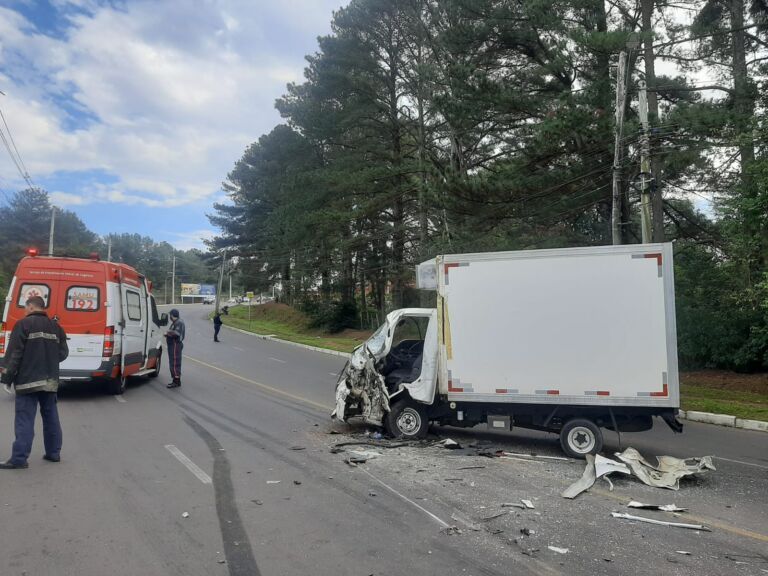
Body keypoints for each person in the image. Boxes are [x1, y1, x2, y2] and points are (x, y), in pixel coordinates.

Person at [0, 296, 68, 469]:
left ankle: (19, 459)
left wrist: (6, 377)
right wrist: (48, 361)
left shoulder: (23, 325)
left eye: (25, 307)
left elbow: (15, 354)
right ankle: (54, 453)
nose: (24, 310)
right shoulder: (56, 327)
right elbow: (63, 353)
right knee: (51, 416)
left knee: (25, 419)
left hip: (27, 380)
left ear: (31, 307)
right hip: (50, 380)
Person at [165, 308, 185, 388]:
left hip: (175, 345)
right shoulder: (175, 322)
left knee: (175, 362)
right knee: (172, 362)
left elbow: (176, 333)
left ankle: (176, 381)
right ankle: (175, 379)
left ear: (173, 315)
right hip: (172, 345)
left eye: (170, 315)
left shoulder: (179, 322)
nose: (170, 316)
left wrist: (167, 333)